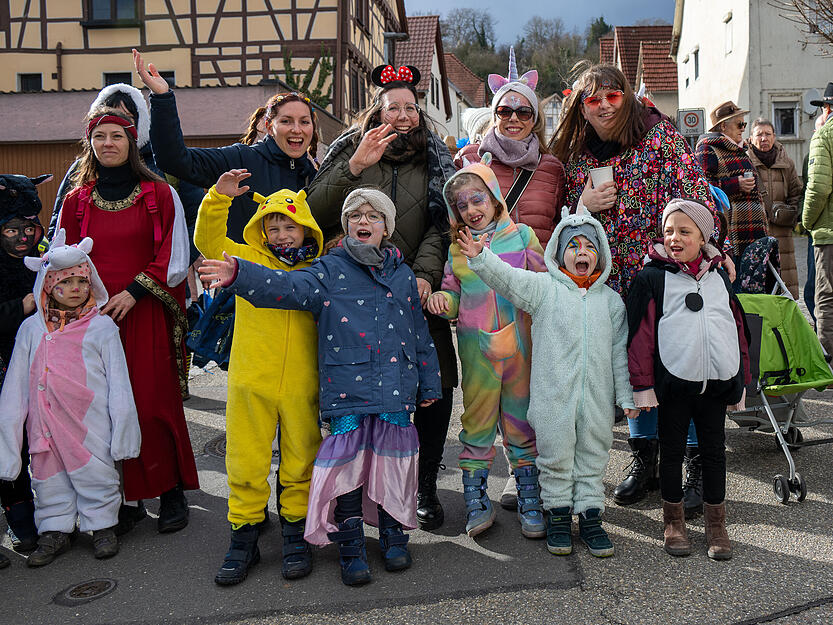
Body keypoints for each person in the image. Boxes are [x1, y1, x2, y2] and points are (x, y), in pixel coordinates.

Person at [199, 187, 442, 586]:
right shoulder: (330, 269)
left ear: (387, 227)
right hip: (346, 390)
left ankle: (393, 532)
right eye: (355, 216)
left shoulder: (401, 274)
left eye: (373, 216)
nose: (364, 222)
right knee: (345, 468)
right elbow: (287, 287)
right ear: (345, 226)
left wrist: (429, 382)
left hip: (394, 391)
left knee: (392, 464)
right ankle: (349, 545)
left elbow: (418, 334)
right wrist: (239, 274)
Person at [551, 62, 725, 508]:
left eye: (613, 95)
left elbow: (698, 199)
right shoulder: (575, 156)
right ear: (581, 107)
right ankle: (643, 460)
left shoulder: (659, 138)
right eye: (593, 99)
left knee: (679, 368)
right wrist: (581, 203)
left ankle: (693, 463)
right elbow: (563, 232)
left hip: (664, 275)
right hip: (609, 284)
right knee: (630, 369)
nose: (605, 105)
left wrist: (702, 249)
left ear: (627, 96)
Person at [305, 64, 457, 531]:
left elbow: (441, 221)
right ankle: (355, 491)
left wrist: (424, 275)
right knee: (358, 393)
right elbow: (313, 209)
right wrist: (355, 165)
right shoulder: (350, 148)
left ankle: (424, 485)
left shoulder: (435, 156)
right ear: (379, 110)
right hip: (354, 294)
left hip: (415, 287)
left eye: (412, 107)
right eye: (395, 107)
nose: (406, 115)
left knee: (438, 385)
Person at [457, 205, 636, 557]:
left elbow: (619, 354)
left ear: (600, 253)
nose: (580, 252)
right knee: (555, 458)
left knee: (593, 457)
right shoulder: (545, 290)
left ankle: (590, 516)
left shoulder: (611, 303)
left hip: (597, 402)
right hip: (552, 400)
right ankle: (556, 514)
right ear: (557, 252)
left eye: (588, 245)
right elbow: (509, 279)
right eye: (573, 246)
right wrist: (482, 258)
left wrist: (626, 396)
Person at [58, 107, 198, 534]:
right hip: (93, 317)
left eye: (116, 136)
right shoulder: (76, 200)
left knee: (152, 401)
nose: (108, 144)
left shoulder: (159, 194)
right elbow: (63, 258)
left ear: (131, 142)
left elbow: (174, 257)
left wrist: (133, 292)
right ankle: (124, 498)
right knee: (102, 407)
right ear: (90, 144)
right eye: (99, 137)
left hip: (146, 310)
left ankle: (170, 490)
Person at [193, 170, 324, 585]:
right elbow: (208, 243)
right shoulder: (244, 260)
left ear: (306, 230)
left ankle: (295, 530)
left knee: (302, 457)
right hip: (251, 381)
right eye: (274, 225)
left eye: (291, 226)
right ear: (261, 230)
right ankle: (244, 533)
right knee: (246, 459)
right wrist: (217, 198)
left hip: (304, 384)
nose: (283, 234)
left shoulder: (321, 270)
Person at [0, 231, 141, 566]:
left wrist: (123, 428)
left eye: (81, 281)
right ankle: (54, 528)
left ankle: (103, 524)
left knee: (96, 470)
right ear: (48, 286)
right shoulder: (31, 331)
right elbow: (15, 385)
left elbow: (120, 383)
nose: (75, 289)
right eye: (65, 283)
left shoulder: (102, 328)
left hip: (88, 421)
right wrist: (8, 433)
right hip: (44, 424)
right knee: (48, 475)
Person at [426, 154, 546, 538]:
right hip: (477, 352)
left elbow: (542, 287)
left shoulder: (523, 236)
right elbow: (452, 293)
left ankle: (530, 494)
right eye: (461, 205)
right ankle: (476, 499)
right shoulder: (456, 251)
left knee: (521, 421)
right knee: (476, 422)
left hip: (520, 351)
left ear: (495, 197)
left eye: (478, 199)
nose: (471, 210)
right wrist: (445, 303)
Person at [627, 199, 750, 560]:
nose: (674, 238)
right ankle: (674, 521)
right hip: (674, 387)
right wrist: (643, 386)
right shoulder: (653, 278)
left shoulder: (718, 278)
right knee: (672, 452)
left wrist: (739, 380)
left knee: (713, 453)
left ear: (704, 236)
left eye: (684, 231)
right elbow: (640, 337)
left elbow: (735, 329)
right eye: (668, 231)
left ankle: (717, 524)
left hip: (714, 385)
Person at [133, 49, 318, 243]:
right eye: (287, 121)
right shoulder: (239, 160)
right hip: (240, 272)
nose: (297, 129)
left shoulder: (312, 177)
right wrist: (162, 99)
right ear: (269, 127)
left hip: (297, 273)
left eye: (304, 122)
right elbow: (174, 160)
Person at [455, 48, 565, 249]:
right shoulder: (469, 159)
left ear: (534, 119)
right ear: (494, 117)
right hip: (485, 273)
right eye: (504, 111)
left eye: (523, 112)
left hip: (536, 275)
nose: (513, 118)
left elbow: (559, 225)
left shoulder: (552, 168)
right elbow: (453, 219)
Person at [0, 174, 51, 561]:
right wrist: (23, 306)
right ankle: (19, 522)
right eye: (12, 229)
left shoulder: (42, 259)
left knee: (30, 440)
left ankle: (36, 520)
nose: (23, 238)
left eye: (29, 228)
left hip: (36, 367)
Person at [696, 101, 768, 260]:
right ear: (723, 127)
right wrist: (736, 184)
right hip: (733, 234)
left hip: (751, 231)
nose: (743, 128)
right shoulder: (708, 149)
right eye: (739, 124)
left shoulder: (739, 149)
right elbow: (702, 188)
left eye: (744, 124)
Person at [747, 118, 803, 298]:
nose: (764, 138)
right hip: (755, 231)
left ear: (774, 137)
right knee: (758, 284)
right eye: (759, 134)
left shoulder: (786, 162)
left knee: (784, 284)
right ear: (751, 138)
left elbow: (797, 191)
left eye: (768, 134)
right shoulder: (744, 162)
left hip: (782, 232)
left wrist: (790, 215)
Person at [802, 82, 833, 355]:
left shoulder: (824, 136)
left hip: (829, 232)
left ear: (827, 108)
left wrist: (807, 221)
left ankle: (830, 364)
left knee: (827, 297)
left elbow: (819, 188)